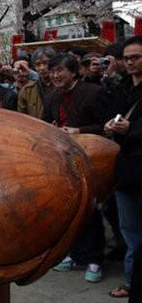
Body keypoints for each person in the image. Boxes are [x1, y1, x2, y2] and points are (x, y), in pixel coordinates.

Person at [47, 53, 110, 283]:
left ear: (74, 72)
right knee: (70, 210)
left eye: (59, 70)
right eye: (52, 71)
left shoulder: (94, 93)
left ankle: (94, 259)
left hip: (91, 158)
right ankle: (74, 254)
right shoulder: (52, 97)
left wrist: (79, 131)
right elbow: (48, 121)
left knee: (90, 210)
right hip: (64, 161)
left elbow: (108, 126)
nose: (54, 75)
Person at [104, 36, 142, 299]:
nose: (129, 62)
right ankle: (132, 281)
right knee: (130, 232)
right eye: (126, 58)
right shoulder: (122, 88)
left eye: (135, 57)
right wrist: (111, 127)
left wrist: (132, 129)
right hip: (126, 172)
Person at [18, 47, 56, 119]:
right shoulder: (27, 90)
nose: (42, 68)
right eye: (38, 64)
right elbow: (22, 119)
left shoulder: (62, 87)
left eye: (45, 63)